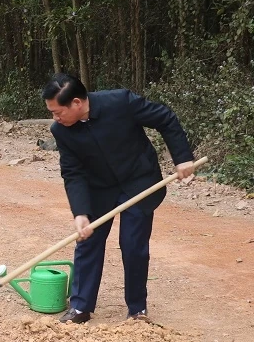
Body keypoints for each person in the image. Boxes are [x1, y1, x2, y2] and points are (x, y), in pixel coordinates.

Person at [42, 73, 196, 324]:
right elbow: (72, 172)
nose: (55, 118)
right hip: (99, 189)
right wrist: (80, 212)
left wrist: (182, 158)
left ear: (77, 103)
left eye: (58, 112)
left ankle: (137, 310)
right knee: (88, 241)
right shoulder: (61, 131)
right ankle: (80, 307)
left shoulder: (120, 102)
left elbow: (165, 118)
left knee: (133, 245)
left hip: (139, 182)